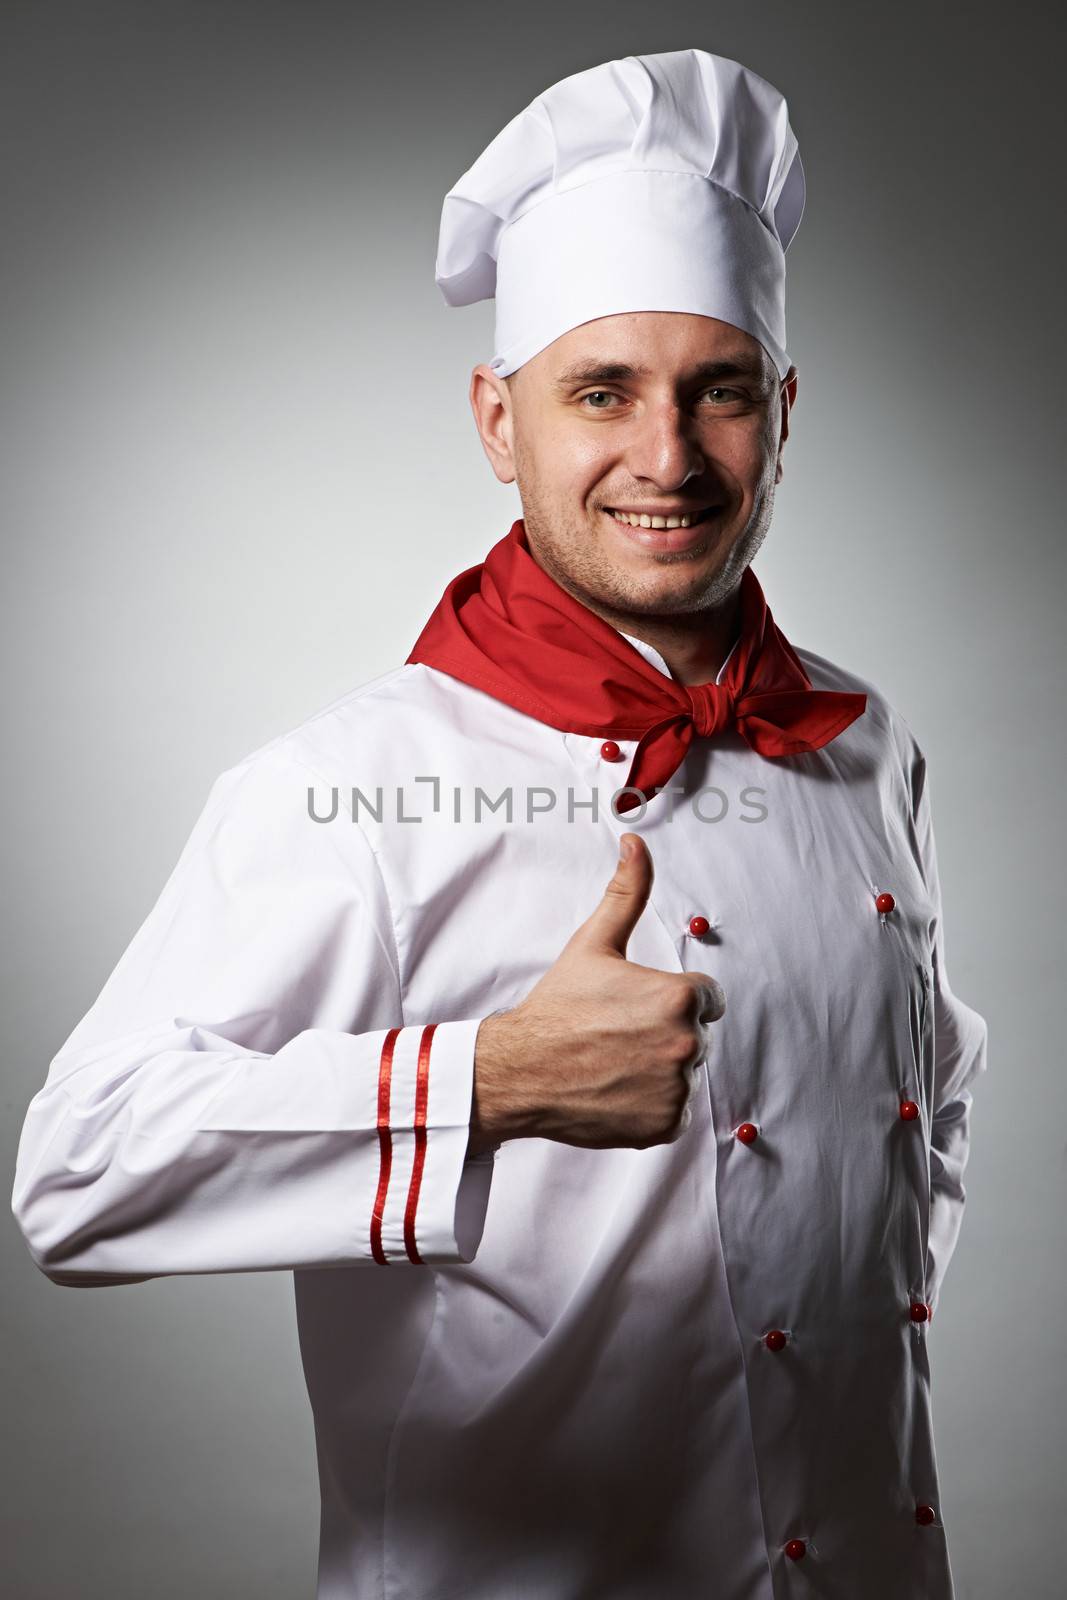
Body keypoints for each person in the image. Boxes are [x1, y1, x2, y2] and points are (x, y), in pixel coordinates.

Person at [11, 47, 987, 1600]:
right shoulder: (357, 785)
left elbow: (921, 1110)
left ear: (784, 411)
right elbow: (78, 1171)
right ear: (497, 418)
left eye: (718, 391)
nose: (667, 459)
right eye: (600, 393)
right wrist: (492, 1080)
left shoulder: (869, 748)